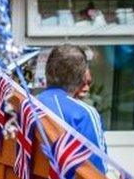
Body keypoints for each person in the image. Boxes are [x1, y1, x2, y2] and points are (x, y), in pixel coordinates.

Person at [38, 44, 107, 172]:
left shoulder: (28, 103)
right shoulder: (84, 114)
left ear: (48, 71)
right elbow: (98, 172)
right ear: (81, 77)